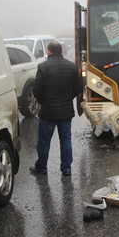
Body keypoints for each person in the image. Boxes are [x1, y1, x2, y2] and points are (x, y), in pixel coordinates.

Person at [30, 41, 83, 175]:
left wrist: (44, 101)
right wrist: (68, 98)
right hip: (65, 111)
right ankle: (66, 168)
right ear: (61, 51)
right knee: (65, 140)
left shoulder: (43, 67)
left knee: (44, 141)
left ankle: (41, 167)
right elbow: (78, 88)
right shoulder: (71, 67)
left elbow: (36, 90)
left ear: (48, 52)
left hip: (48, 111)